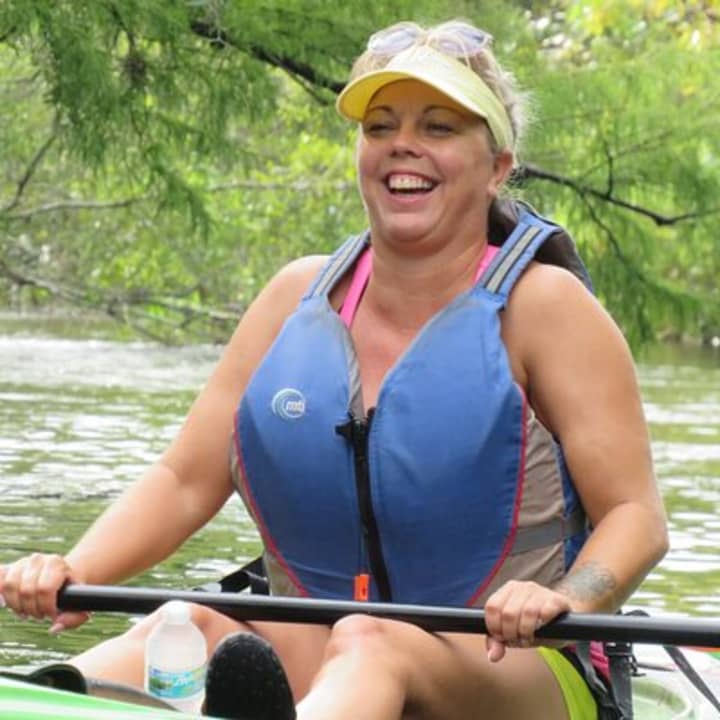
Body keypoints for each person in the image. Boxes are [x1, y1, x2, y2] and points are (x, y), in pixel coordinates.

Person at [0, 18, 668, 720]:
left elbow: (637, 516)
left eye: (439, 127)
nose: (402, 143)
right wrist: (77, 569)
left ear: (497, 166)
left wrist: (568, 598)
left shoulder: (547, 308)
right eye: (379, 127)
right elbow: (185, 479)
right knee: (186, 621)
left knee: (370, 642)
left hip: (509, 665)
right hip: (323, 645)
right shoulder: (294, 297)